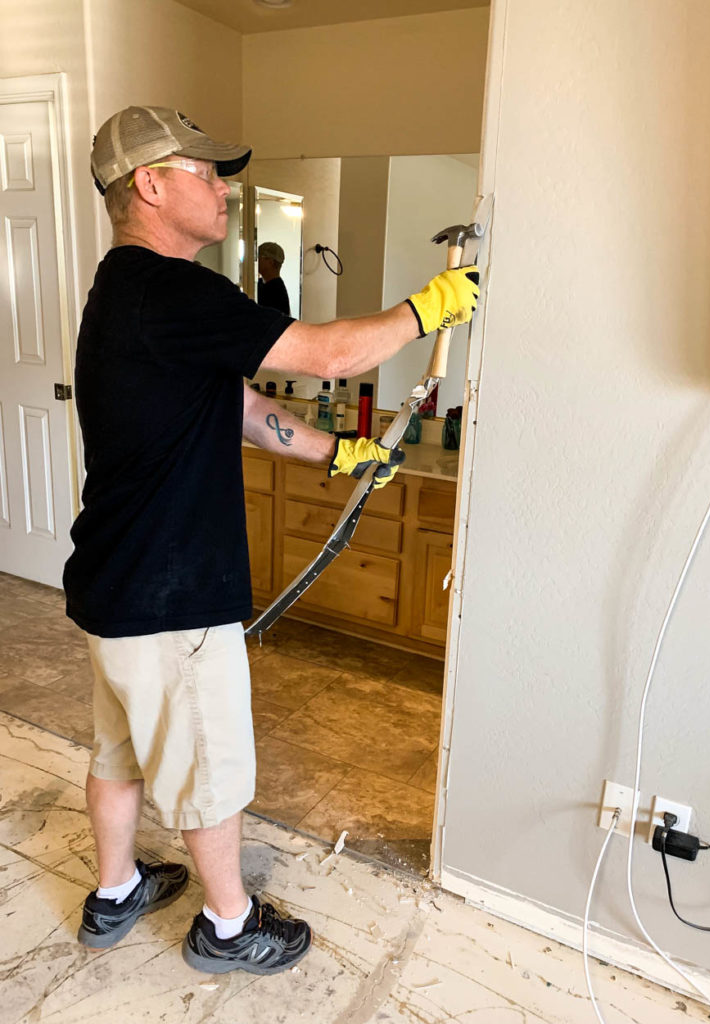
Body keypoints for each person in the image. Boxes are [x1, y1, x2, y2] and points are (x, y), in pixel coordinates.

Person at [64, 105, 479, 976]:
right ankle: (228, 924)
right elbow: (327, 357)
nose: (224, 188)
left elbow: (243, 407)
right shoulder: (172, 287)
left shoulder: (128, 289)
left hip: (114, 588)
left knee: (121, 751)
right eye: (206, 173)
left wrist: (341, 452)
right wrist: (430, 308)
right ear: (150, 184)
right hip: (175, 598)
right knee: (207, 767)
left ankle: (113, 894)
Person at [257, 240, 291, 315]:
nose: (256, 261)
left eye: (259, 258)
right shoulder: (261, 284)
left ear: (270, 262)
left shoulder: (276, 292)